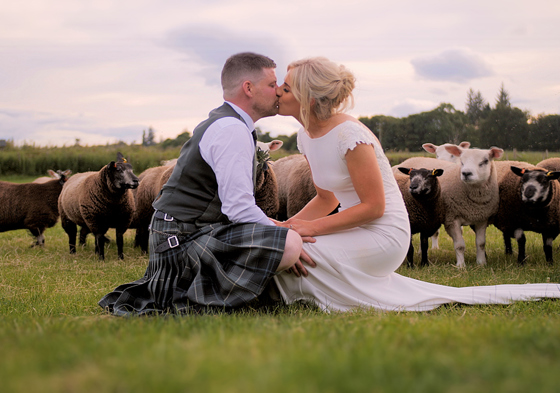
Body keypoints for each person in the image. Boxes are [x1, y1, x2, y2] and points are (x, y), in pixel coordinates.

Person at [272, 56, 560, 312]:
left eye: (285, 89)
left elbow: (374, 207)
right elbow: (326, 199)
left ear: (308, 97)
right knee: (286, 245)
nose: (277, 92)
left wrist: (308, 229)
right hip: (351, 227)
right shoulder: (306, 136)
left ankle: (279, 296)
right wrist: (288, 226)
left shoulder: (349, 136)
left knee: (301, 250)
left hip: (384, 235)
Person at [99, 52, 314, 316]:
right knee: (290, 243)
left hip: (184, 232)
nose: (278, 92)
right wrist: (281, 231)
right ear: (248, 88)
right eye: (272, 85)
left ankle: (227, 290)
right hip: (182, 239)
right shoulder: (231, 129)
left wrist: (275, 230)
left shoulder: (230, 123)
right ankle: (201, 300)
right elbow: (239, 209)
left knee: (283, 238)